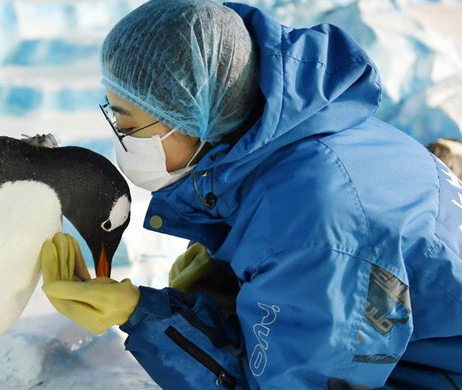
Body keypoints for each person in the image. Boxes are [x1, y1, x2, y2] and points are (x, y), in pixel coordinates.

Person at [39, 0, 462, 389]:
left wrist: (141, 315)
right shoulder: (318, 136)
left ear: (194, 115)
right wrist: (230, 286)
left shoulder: (315, 225)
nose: (121, 140)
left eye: (129, 125)